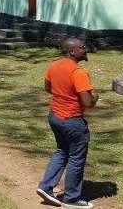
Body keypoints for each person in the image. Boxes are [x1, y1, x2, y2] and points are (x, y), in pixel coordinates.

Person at [36, 37, 99, 209]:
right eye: (82, 47)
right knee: (76, 158)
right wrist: (95, 97)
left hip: (55, 117)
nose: (85, 49)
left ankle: (46, 187)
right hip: (72, 121)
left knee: (62, 151)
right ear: (72, 51)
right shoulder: (78, 73)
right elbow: (87, 103)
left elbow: (48, 87)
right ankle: (71, 198)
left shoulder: (54, 65)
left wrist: (64, 94)